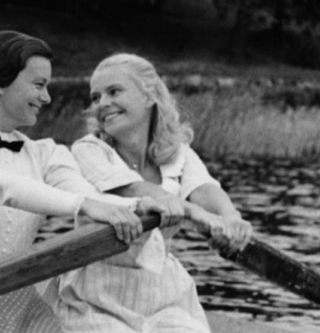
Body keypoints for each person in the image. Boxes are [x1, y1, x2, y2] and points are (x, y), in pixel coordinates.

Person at [0, 32, 167, 333]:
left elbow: (84, 192)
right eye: (38, 85)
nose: (47, 97)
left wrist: (135, 205)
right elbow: (2, 187)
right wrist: (86, 205)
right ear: (0, 83)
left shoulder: (45, 152)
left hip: (17, 295)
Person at [48, 53, 253, 333]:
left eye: (114, 91)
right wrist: (193, 213)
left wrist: (231, 218)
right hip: (96, 293)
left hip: (163, 290)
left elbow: (205, 189)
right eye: (96, 97)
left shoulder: (178, 152)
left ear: (149, 96)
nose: (102, 104)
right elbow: (131, 187)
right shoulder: (89, 149)